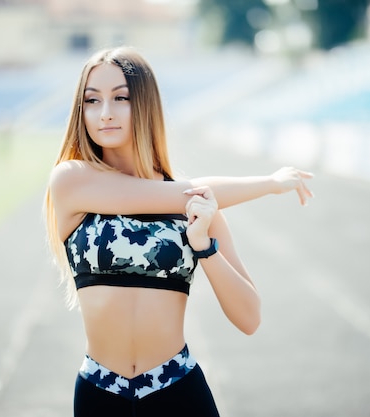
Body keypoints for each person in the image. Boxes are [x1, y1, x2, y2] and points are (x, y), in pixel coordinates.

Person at [44, 47, 314, 416]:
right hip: (99, 393)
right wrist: (268, 183)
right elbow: (175, 194)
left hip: (177, 390)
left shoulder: (201, 207)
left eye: (121, 97)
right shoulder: (71, 180)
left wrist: (205, 247)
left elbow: (249, 317)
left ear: (146, 105)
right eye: (92, 100)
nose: (105, 112)